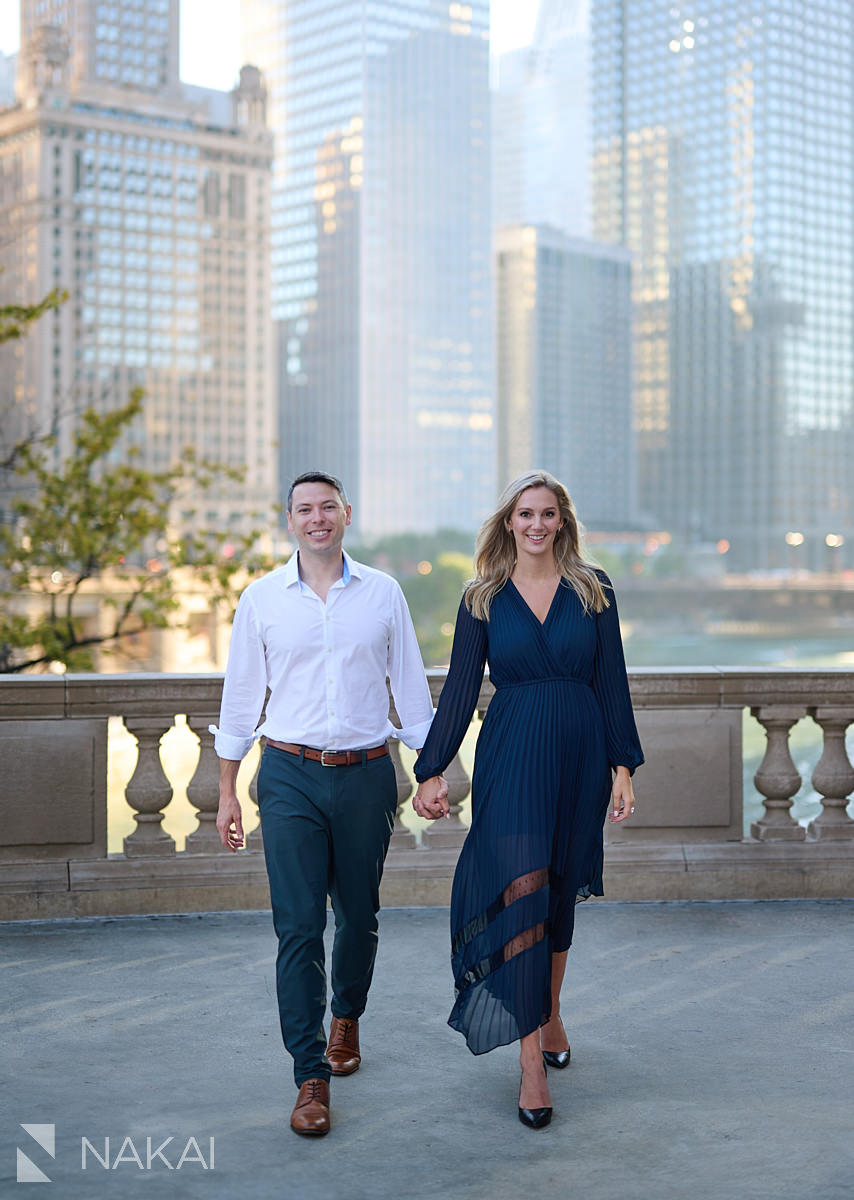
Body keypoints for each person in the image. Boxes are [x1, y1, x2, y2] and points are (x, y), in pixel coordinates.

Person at [213, 471, 447, 1137]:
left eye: (327, 508)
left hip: (369, 775)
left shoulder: (384, 594)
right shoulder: (261, 600)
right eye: (303, 509)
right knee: (297, 927)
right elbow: (240, 700)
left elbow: (410, 691)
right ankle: (309, 1076)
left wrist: (431, 774)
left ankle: (347, 1014)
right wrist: (227, 791)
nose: (317, 519)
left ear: (347, 514)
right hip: (287, 774)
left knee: (359, 915)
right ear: (289, 519)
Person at [412, 470, 643, 1129]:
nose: (537, 524)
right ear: (508, 523)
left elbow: (611, 683)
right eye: (525, 514)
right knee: (521, 891)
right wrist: (432, 768)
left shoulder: (594, 590)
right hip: (511, 756)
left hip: (579, 756)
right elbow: (459, 690)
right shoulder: (481, 597)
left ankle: (550, 1011)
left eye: (548, 514)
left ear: (562, 522)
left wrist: (623, 764)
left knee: (561, 891)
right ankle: (530, 1064)